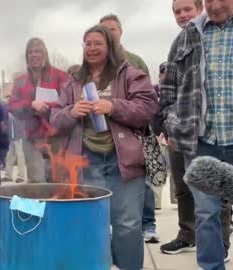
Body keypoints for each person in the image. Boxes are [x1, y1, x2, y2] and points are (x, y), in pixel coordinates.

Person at [158, 1, 233, 269]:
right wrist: (173, 123)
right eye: (209, 0)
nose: (215, 5)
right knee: (205, 215)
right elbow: (168, 89)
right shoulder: (187, 36)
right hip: (202, 143)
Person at [51, 25, 158, 270]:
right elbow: (54, 119)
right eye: (87, 43)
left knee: (127, 225)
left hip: (124, 163)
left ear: (110, 45)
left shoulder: (129, 74)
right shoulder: (74, 81)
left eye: (97, 43)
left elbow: (148, 108)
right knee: (90, 223)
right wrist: (71, 112)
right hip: (85, 161)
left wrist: (113, 107)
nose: (91, 48)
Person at [8, 37, 68, 183]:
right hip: (31, 137)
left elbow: (68, 101)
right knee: (37, 180)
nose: (34, 55)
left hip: (56, 136)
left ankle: (57, 205)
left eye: (38, 51)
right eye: (30, 52)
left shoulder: (60, 76)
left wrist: (48, 106)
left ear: (45, 54)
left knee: (58, 180)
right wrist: (30, 105)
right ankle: (40, 204)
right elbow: (11, 105)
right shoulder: (20, 80)